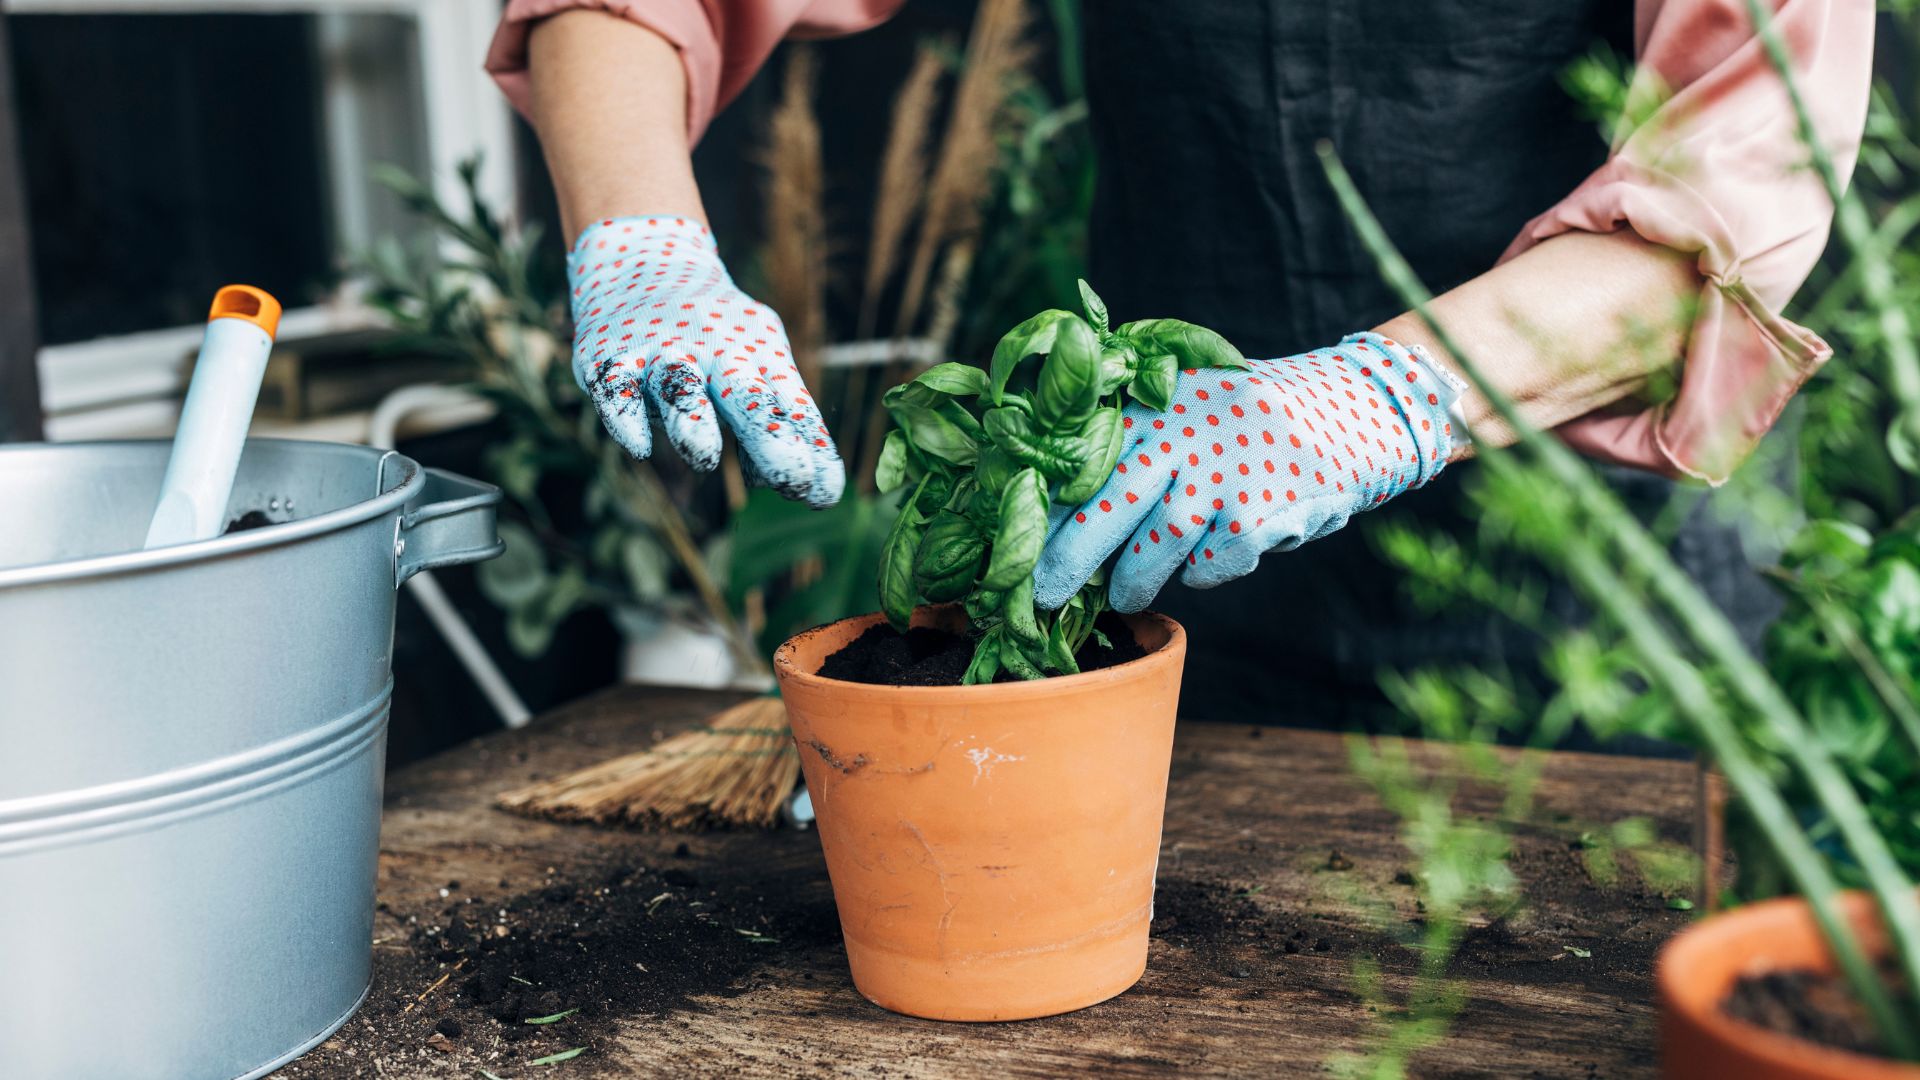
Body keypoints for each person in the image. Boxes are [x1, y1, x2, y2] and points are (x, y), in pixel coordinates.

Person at [486, 0, 1873, 721]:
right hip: (1164, 554)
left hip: (1584, 606)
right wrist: (639, 238)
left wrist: (1377, 398)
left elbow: (1734, 215)